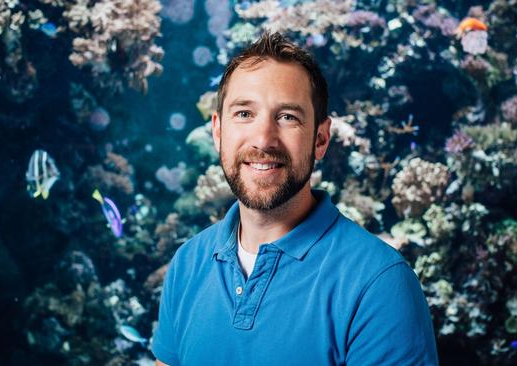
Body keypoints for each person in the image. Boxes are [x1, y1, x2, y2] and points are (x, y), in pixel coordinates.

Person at [152, 31, 439, 366]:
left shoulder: (379, 284)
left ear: (320, 139)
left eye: (287, 116)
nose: (263, 139)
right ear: (218, 131)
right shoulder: (187, 263)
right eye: (244, 113)